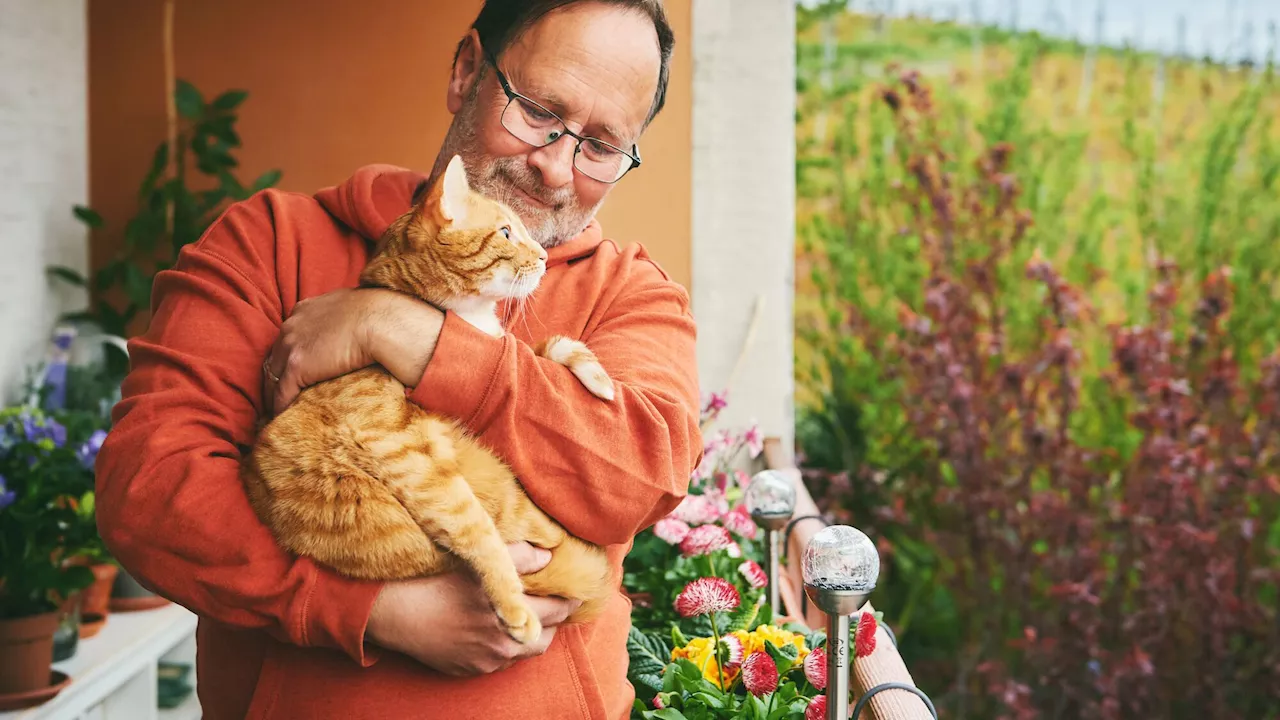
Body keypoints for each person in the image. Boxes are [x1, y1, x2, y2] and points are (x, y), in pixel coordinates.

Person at [94, 1, 701, 718]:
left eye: (601, 145)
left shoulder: (632, 294)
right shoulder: (267, 242)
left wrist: (404, 334)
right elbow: (149, 487)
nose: (556, 167)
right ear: (467, 71)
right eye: (538, 111)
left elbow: (637, 476)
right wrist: (369, 608)